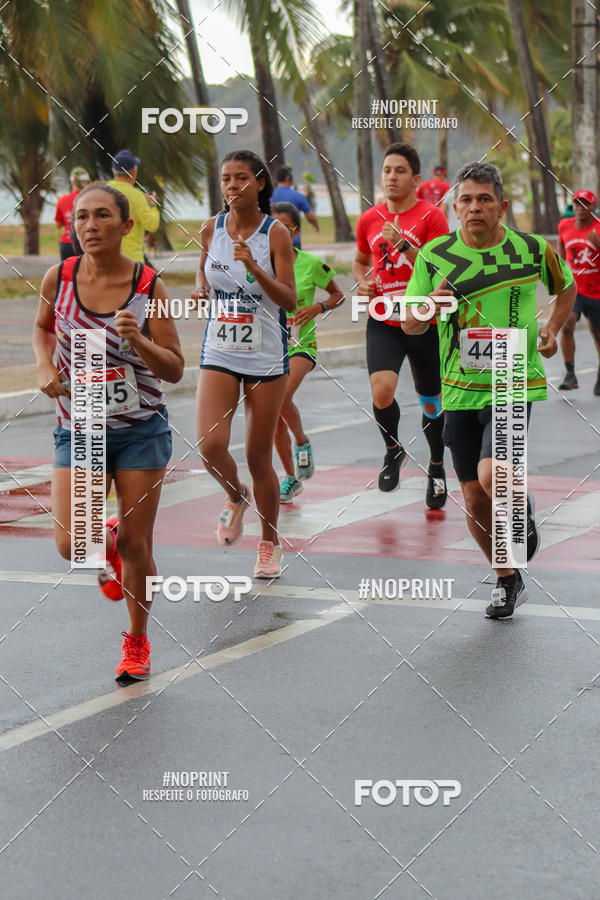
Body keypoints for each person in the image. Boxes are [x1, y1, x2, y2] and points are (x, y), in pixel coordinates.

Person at [404, 161, 576, 619]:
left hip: (513, 381)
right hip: (459, 390)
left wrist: (553, 330)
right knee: (476, 498)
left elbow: (566, 289)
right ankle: (507, 578)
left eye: (484, 200)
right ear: (455, 207)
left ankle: (520, 505)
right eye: (466, 200)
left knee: (492, 475)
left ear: (502, 206)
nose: (474, 207)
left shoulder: (532, 249)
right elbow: (409, 320)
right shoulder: (435, 256)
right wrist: (427, 305)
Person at [32, 183, 184, 680]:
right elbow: (43, 327)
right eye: (81, 217)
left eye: (102, 216)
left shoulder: (150, 288)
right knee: (72, 545)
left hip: (141, 429)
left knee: (139, 547)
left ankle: (137, 643)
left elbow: (175, 369)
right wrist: (42, 367)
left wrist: (138, 339)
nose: (90, 225)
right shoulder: (59, 277)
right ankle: (108, 535)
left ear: (126, 225)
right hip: (78, 426)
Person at [194, 150, 296, 577]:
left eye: (240, 178)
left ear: (258, 183)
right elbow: (203, 271)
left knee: (258, 457)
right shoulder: (210, 229)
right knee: (210, 446)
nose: (231, 186)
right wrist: (201, 289)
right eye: (225, 179)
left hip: (266, 355)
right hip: (219, 349)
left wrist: (255, 265)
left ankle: (269, 543)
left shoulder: (275, 234)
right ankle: (236, 496)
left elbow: (290, 299)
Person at [353, 142, 450, 508]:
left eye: (400, 171)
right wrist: (362, 281)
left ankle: (437, 465)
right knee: (381, 391)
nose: (391, 177)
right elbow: (360, 261)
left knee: (431, 403)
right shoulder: (369, 219)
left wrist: (406, 246)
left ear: (416, 179)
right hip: (384, 319)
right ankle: (393, 449)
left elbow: (440, 269)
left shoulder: (431, 217)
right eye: (387, 171)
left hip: (423, 321)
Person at [270, 201, 345, 501]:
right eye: (274, 228)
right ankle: (291, 477)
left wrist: (318, 307)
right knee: (272, 419)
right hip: (268, 347)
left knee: (280, 398)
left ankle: (301, 441)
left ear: (297, 231)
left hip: (302, 345)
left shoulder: (311, 263)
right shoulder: (259, 264)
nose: (279, 234)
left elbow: (339, 295)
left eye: (286, 229)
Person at [557, 189, 600, 394]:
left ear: (593, 207)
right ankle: (570, 374)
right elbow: (561, 252)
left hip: (596, 290)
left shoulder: (598, 229)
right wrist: (558, 274)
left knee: (597, 334)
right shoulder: (564, 225)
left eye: (586, 204)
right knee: (567, 325)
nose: (581, 208)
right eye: (577, 204)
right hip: (573, 288)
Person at [106, 149, 160, 263]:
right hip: (132, 260)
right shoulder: (137, 196)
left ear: (113, 170)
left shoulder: (102, 191)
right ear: (134, 171)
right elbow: (151, 225)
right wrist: (152, 206)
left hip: (106, 258)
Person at [271, 166, 320, 248]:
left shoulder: (268, 196)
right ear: (288, 178)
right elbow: (310, 216)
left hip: (272, 239)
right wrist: (316, 227)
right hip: (293, 239)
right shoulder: (298, 196)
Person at [54, 167, 90, 259]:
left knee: (66, 273)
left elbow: (59, 224)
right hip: (86, 242)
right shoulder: (91, 199)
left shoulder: (62, 200)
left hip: (67, 244)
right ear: (87, 181)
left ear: (72, 182)